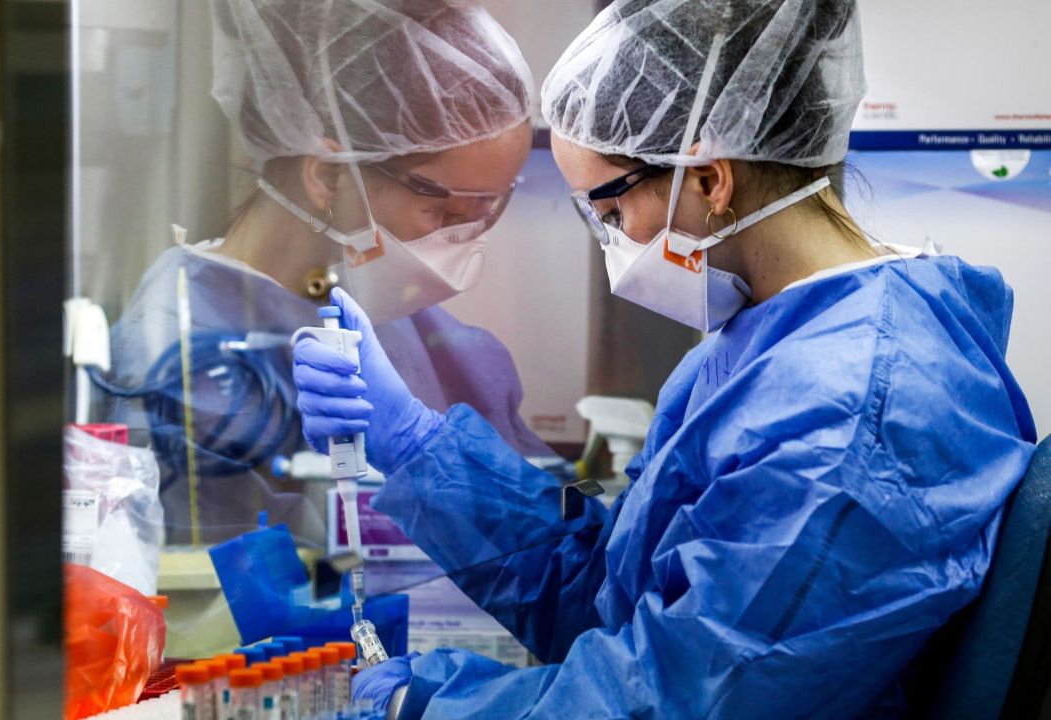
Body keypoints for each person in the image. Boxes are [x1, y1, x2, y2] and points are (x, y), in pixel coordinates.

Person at [293, 1, 1039, 717]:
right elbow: (609, 592)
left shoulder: (847, 417)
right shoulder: (762, 346)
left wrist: (432, 705)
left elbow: (683, 699)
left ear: (711, 179)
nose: (611, 243)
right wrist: (419, 446)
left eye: (613, 213)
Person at [97, 0, 549, 549]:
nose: (464, 243)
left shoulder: (409, 327)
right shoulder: (184, 360)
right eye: (446, 213)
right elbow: (234, 591)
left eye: (490, 210)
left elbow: (549, 521)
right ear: (330, 177)